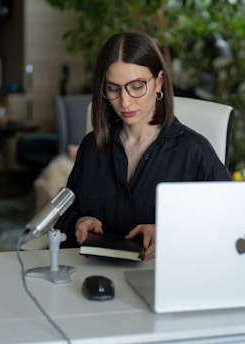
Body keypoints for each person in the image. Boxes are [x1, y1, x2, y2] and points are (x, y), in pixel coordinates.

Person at [56, 31, 232, 259]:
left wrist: (170, 233)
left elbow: (230, 224)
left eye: (137, 86)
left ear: (159, 82)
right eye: (113, 88)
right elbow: (64, 217)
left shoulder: (194, 152)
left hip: (162, 281)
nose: (125, 101)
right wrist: (78, 222)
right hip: (92, 280)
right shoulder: (93, 148)